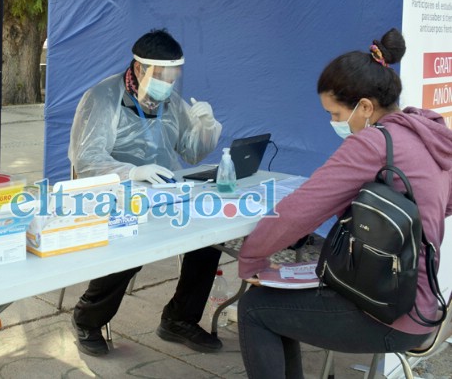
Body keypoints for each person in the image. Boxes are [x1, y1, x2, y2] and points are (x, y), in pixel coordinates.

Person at [236, 28, 452, 378]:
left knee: (254, 307)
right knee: (278, 305)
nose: (334, 123)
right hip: (423, 301)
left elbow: (301, 210)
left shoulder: (374, 143)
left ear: (365, 107)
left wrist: (252, 257)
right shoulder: (428, 135)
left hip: (389, 313)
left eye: (336, 114)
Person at [68, 29, 224, 356]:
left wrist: (206, 127)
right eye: (163, 76)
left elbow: (192, 152)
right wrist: (131, 172)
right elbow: (86, 159)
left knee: (210, 237)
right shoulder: (102, 98)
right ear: (140, 68)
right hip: (114, 195)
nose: (168, 84)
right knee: (131, 246)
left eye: (173, 77)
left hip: (162, 194)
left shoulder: (169, 102)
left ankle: (179, 319)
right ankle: (87, 318)